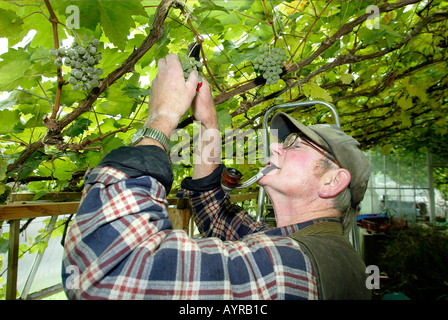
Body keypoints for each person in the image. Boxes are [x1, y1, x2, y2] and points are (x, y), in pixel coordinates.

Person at [62, 53, 371, 300]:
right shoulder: (302, 244)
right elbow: (214, 210)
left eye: (293, 144)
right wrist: (209, 123)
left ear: (333, 181)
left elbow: (108, 273)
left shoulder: (294, 266)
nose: (275, 147)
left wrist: (161, 120)